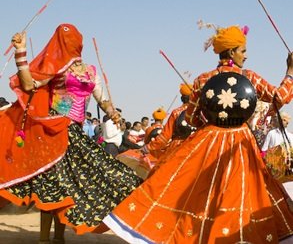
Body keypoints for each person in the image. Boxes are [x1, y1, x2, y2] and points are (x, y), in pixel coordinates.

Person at [103, 24, 293, 243]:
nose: (246, 56)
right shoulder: (249, 77)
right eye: (243, 50)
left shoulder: (202, 80)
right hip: (240, 145)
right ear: (231, 52)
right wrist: (290, 71)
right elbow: (280, 98)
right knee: (241, 193)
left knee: (200, 197)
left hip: (207, 143)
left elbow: (192, 118)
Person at [0, 24, 142, 243]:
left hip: (75, 134)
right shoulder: (55, 68)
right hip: (53, 132)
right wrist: (20, 52)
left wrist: (113, 113)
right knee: (51, 186)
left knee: (94, 179)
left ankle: (58, 238)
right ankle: (45, 239)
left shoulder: (90, 71)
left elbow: (101, 98)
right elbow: (28, 85)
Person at [147, 83, 194, 170]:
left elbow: (164, 137)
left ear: (182, 98)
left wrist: (147, 148)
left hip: (176, 149)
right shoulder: (200, 112)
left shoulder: (176, 112)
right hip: (195, 148)